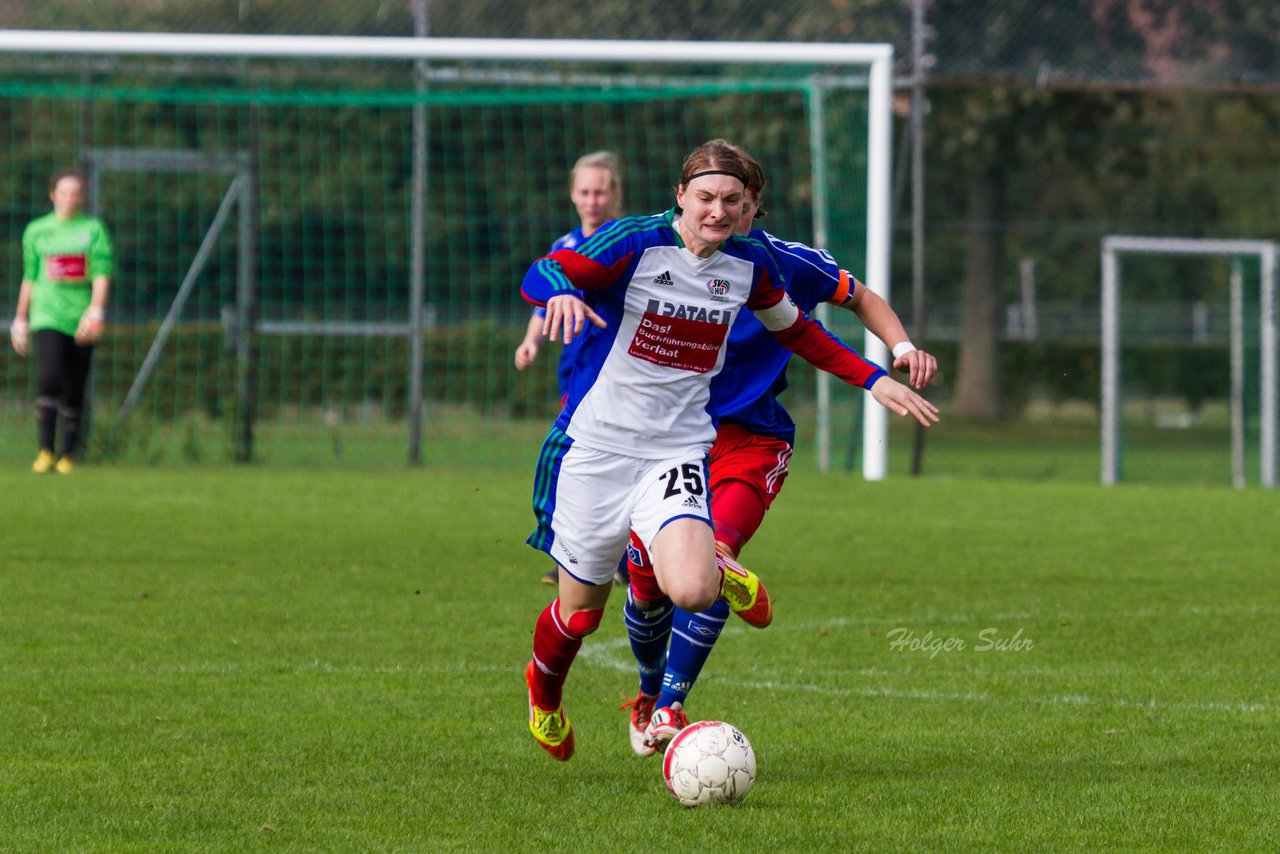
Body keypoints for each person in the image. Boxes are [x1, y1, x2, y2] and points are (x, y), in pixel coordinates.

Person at [520, 139, 936, 761]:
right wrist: (559, 292)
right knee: (580, 617)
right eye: (706, 198)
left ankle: (712, 588)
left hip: (678, 449)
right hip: (597, 448)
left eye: (731, 201)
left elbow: (799, 332)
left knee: (691, 589)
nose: (717, 211)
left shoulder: (751, 264)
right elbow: (545, 270)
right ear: (681, 196)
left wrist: (874, 378)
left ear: (748, 205)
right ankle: (544, 695)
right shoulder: (634, 241)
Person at [512, 150, 624, 586]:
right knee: (581, 460)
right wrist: (530, 342)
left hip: (617, 369)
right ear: (573, 195)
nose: (592, 200)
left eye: (600, 191)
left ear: (614, 194)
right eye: (584, 192)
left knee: (607, 462)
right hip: (576, 371)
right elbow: (545, 303)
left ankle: (616, 558)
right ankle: (580, 559)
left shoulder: (626, 241)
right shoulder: (564, 246)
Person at [10, 170, 114, 474]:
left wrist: (96, 311)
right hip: (48, 314)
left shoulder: (93, 230)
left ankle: (68, 454)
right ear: (53, 195)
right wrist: (20, 318)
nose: (71, 198)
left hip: (80, 316)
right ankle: (45, 450)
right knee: (50, 375)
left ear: (82, 197)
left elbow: (101, 273)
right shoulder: (37, 231)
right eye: (65, 192)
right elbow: (30, 276)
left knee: (74, 384)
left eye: (76, 192)